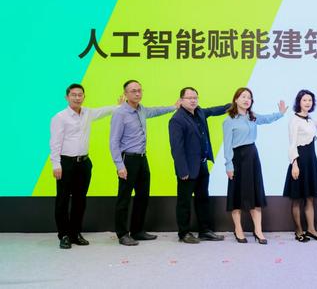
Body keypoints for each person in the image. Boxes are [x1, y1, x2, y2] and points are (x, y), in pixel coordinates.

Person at [49, 83, 121, 249]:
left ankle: (75, 233)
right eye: (73, 95)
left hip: (84, 163)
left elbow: (103, 111)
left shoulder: (87, 113)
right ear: (67, 97)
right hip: (66, 163)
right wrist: (56, 164)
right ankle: (64, 235)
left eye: (80, 95)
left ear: (84, 96)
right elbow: (55, 143)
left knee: (80, 200)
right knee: (63, 200)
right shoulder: (59, 117)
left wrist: (118, 106)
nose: (77, 97)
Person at [110, 80, 178, 246]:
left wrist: (173, 107)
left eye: (139, 90)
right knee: (124, 199)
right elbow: (113, 142)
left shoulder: (141, 109)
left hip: (142, 158)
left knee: (142, 196)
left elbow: (155, 111)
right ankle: (122, 234)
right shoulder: (120, 113)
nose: (137, 93)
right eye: (133, 91)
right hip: (128, 159)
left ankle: (137, 231)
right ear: (125, 94)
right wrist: (119, 166)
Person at [223, 87, 287, 245]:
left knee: (255, 193)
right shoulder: (229, 120)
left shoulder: (252, 117)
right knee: (236, 194)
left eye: (249, 97)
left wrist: (280, 113)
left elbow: (266, 119)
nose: (246, 100)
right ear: (236, 99)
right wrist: (228, 164)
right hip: (237, 159)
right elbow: (227, 145)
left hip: (252, 157)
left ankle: (258, 230)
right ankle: (238, 229)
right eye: (243, 96)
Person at [168, 87, 229, 244]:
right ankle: (184, 233)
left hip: (202, 165)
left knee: (203, 199)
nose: (193, 100)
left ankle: (205, 231)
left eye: (195, 97)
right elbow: (177, 148)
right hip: (187, 169)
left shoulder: (200, 112)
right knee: (184, 202)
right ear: (181, 100)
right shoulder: (177, 120)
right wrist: (182, 170)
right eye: (189, 98)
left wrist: (231, 106)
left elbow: (213, 110)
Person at [283, 89, 317, 242]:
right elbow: (292, 144)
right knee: (297, 199)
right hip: (299, 161)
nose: (307, 103)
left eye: (310, 100)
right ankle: (298, 231)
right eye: (304, 100)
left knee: (310, 198)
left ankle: (311, 230)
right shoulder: (294, 120)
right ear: (299, 102)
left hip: (311, 161)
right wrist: (294, 164)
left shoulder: (310, 120)